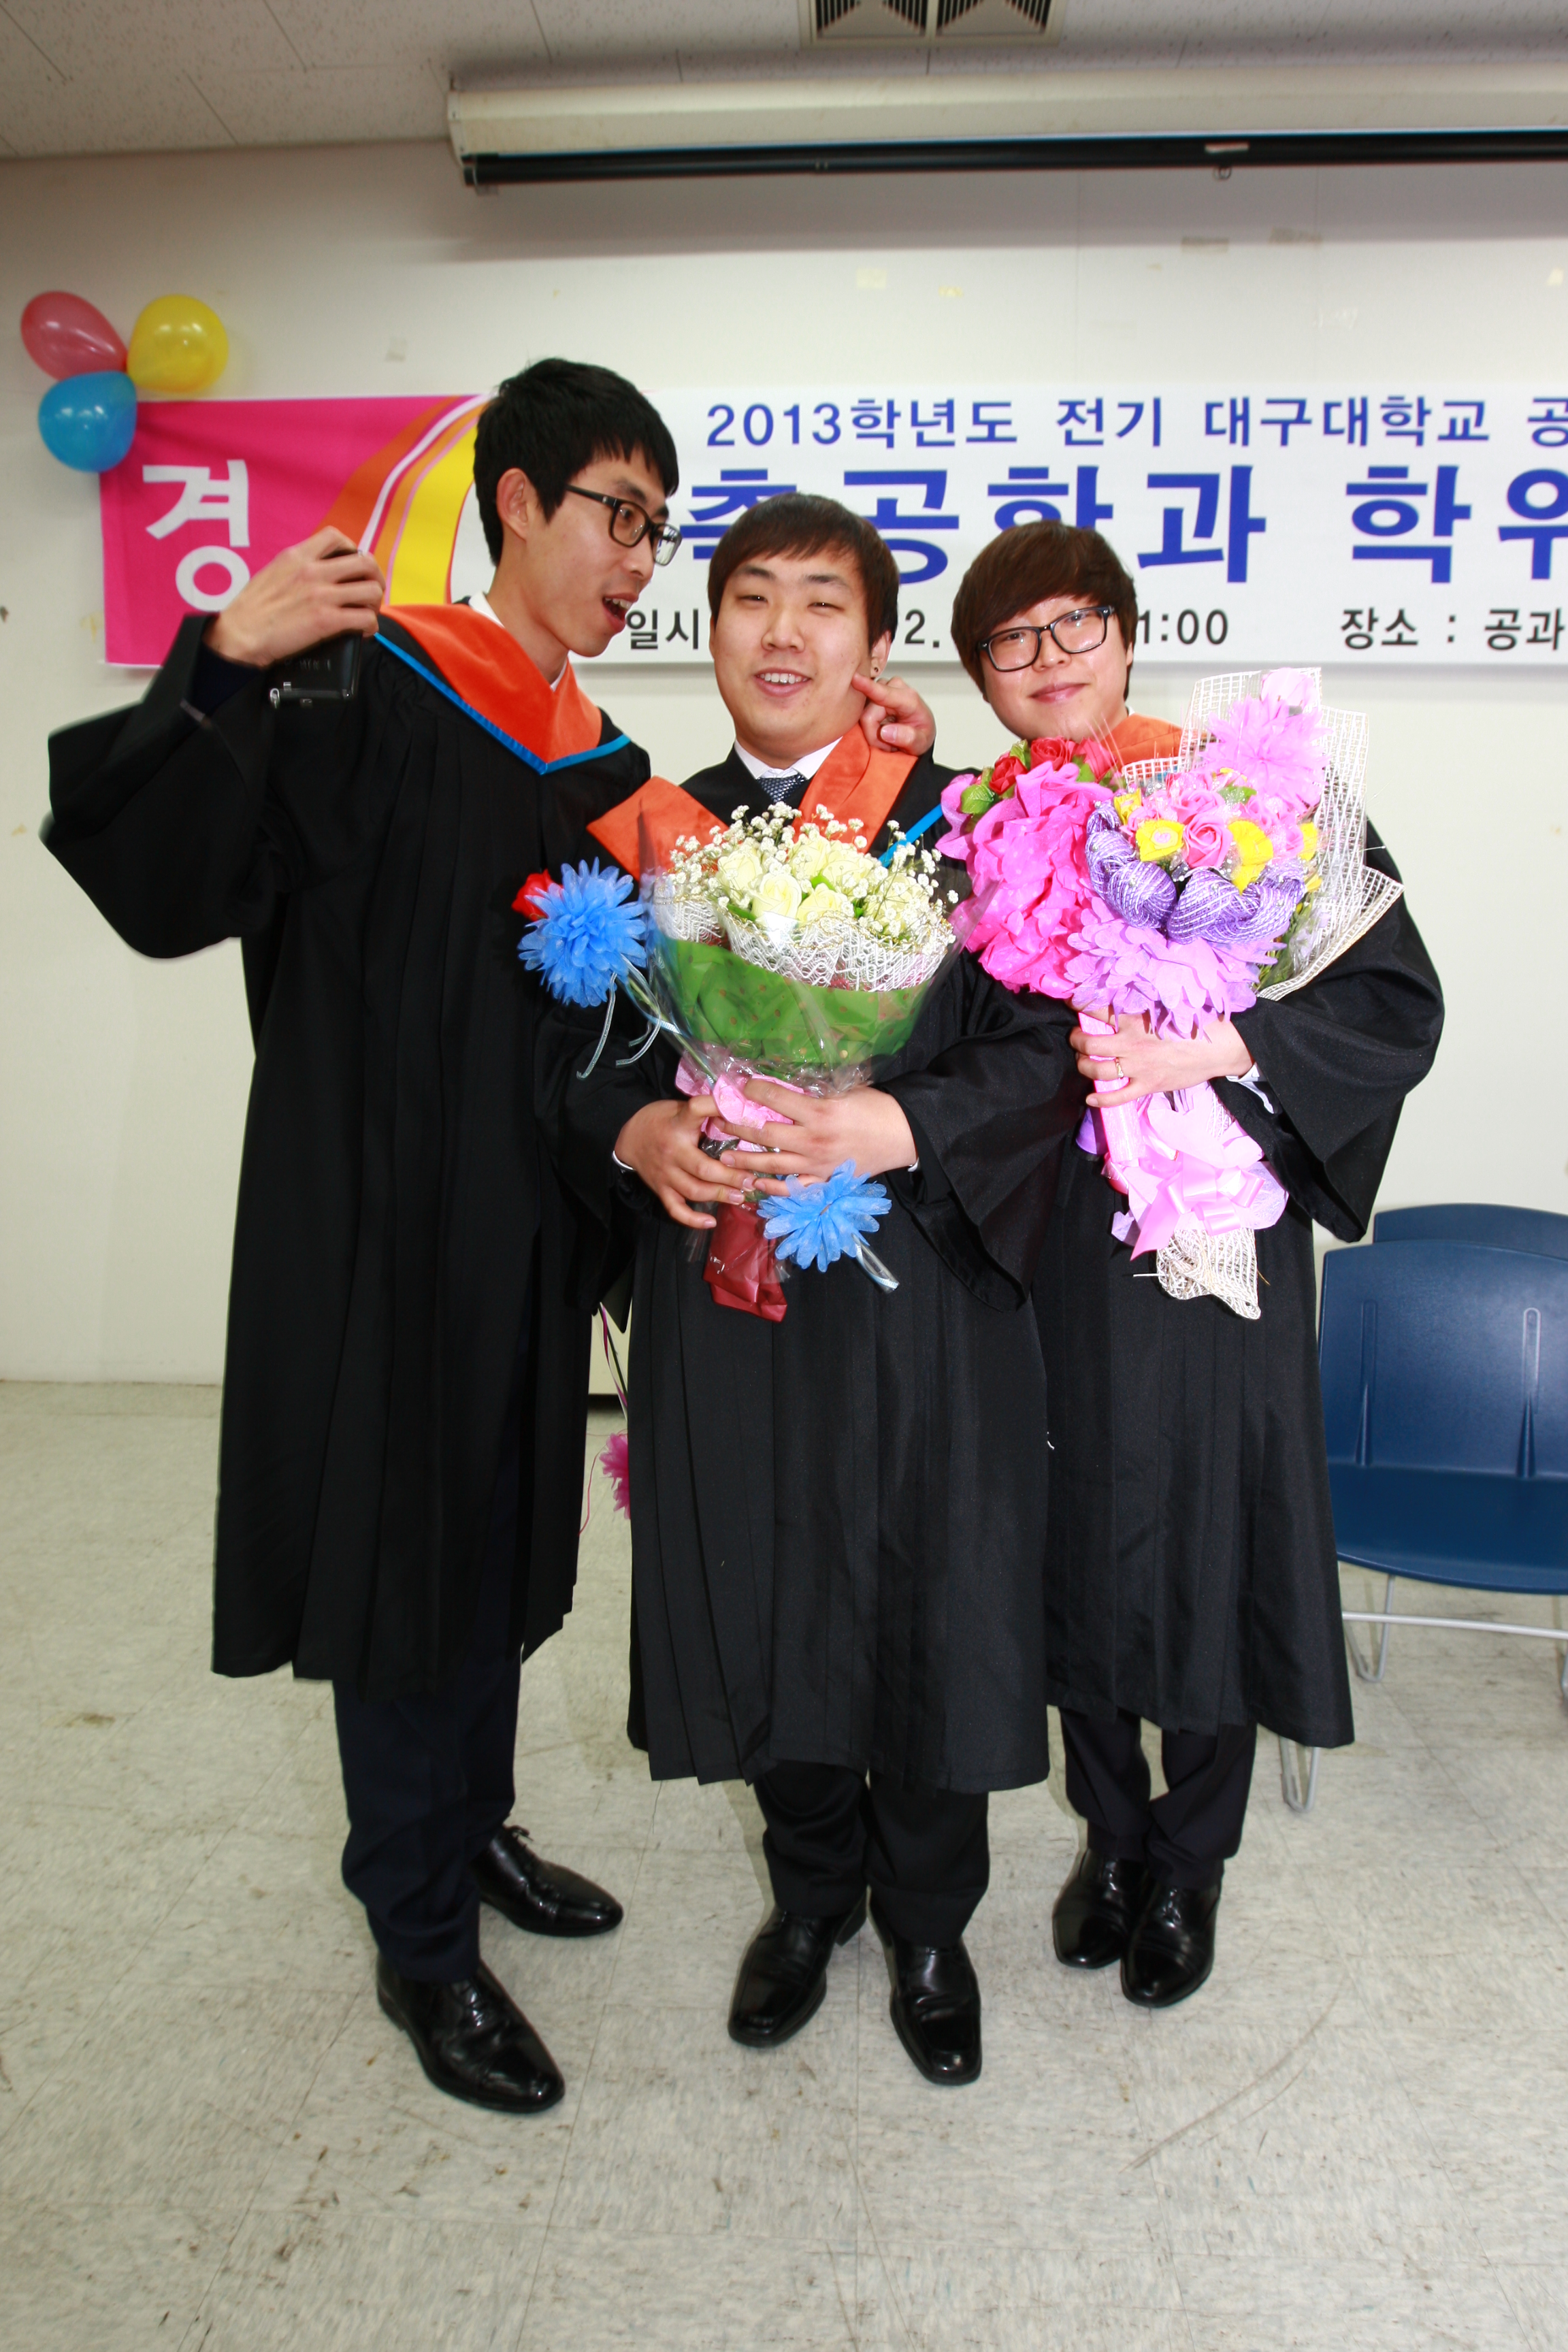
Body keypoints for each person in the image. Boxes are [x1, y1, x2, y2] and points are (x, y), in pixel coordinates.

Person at [44, 361, 684, 2117]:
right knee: (406, 1556)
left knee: (497, 1536)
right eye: (617, 515)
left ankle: (468, 1828)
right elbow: (166, 886)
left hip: (533, 1226)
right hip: (380, 1217)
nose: (640, 558)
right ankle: (417, 1936)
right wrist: (221, 660)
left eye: (659, 529)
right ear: (516, 504)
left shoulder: (600, 760)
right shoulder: (356, 680)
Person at [569, 495, 1085, 2087]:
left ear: (874, 644)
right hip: (730, 1292)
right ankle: (809, 1898)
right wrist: (637, 1127)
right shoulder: (652, 833)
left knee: (934, 1594)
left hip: (923, 1287)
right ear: (710, 626)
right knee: (761, 1580)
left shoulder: (966, 829)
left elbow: (1045, 1050)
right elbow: (571, 1043)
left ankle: (928, 1923)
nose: (783, 632)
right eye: (752, 598)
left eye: (822, 603)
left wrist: (901, 1121)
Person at [947, 520, 1443, 2007]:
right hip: (1052, 1233)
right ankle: (1111, 1835)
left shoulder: (1249, 793)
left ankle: (1194, 1858)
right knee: (1069, 1529)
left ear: (1124, 634)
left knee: (1213, 1526)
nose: (1047, 661)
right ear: (982, 675)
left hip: (1217, 1228)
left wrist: (1213, 1048)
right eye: (1010, 642)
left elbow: (1392, 1001)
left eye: (1073, 626)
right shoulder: (982, 824)